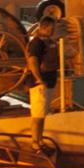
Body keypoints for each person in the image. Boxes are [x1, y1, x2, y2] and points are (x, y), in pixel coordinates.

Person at [26, 15, 59, 151]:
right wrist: (39, 79)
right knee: (37, 115)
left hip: (49, 81)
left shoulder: (49, 41)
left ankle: (40, 140)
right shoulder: (37, 43)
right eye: (51, 28)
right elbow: (33, 61)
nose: (53, 30)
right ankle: (35, 142)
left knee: (42, 114)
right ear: (44, 27)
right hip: (40, 83)